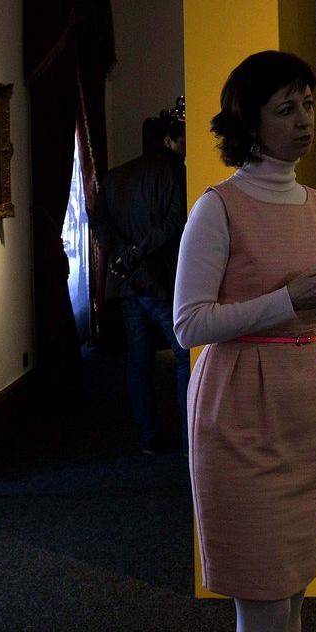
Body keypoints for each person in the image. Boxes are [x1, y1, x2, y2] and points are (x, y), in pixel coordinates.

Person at [174, 51, 316, 632]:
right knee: (264, 603)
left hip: (304, 409)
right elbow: (188, 324)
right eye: (286, 109)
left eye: (307, 104)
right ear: (250, 122)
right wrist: (287, 299)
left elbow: (305, 319)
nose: (304, 119)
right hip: (240, 415)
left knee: (294, 594)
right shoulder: (217, 207)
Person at [92, 104, 189, 453]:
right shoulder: (175, 171)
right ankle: (189, 438)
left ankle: (148, 437)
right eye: (184, 140)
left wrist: (124, 255)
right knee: (184, 353)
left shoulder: (116, 176)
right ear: (168, 140)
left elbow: (99, 223)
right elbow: (174, 223)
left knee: (139, 357)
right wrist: (136, 253)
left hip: (127, 281)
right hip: (159, 278)